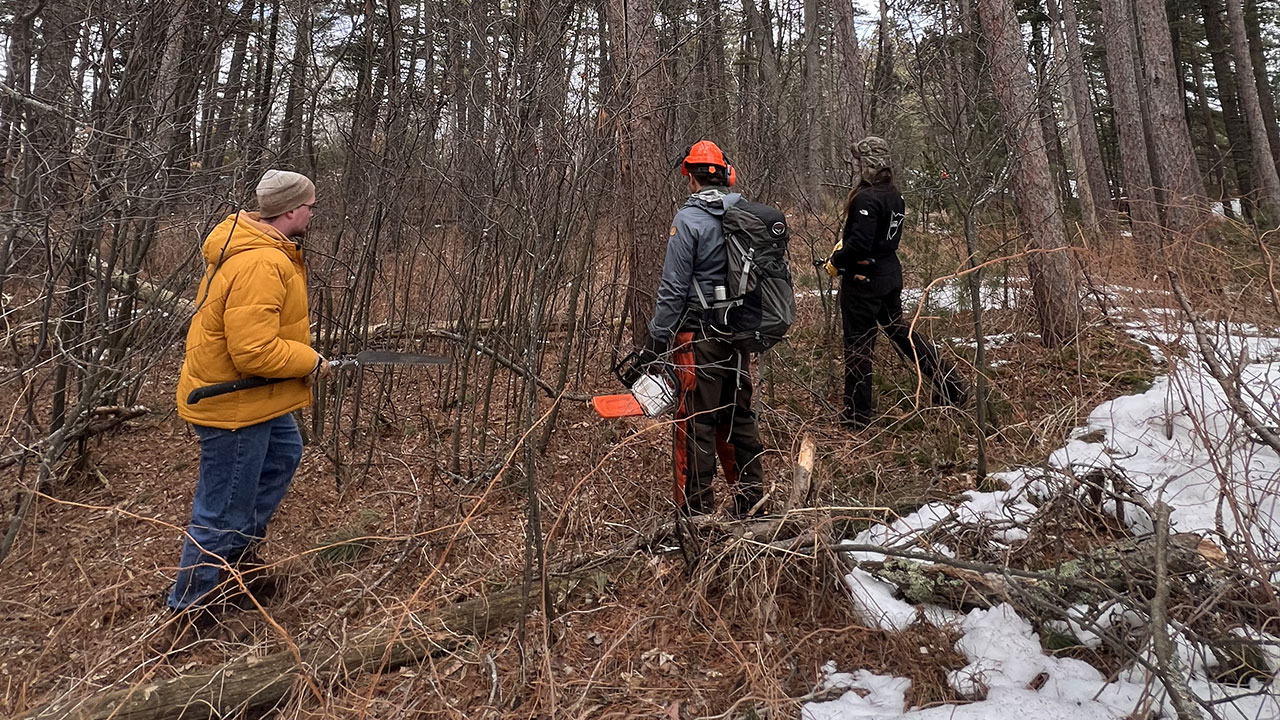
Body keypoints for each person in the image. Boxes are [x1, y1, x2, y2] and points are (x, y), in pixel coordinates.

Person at [166, 169, 329, 631]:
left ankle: (236, 571)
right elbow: (254, 350)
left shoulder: (266, 250)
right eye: (311, 206)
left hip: (259, 398)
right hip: (232, 403)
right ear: (292, 209)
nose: (313, 213)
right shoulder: (262, 262)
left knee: (284, 453)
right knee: (222, 508)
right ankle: (190, 609)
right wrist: (309, 361)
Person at [639, 140, 765, 517]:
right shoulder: (744, 213)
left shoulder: (688, 221)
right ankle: (752, 499)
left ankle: (696, 512)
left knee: (696, 421)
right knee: (738, 415)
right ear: (726, 176)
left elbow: (673, 290)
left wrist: (655, 339)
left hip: (699, 337)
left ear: (690, 177)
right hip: (737, 335)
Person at [829, 136, 967, 429]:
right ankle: (951, 385)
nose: (857, 165)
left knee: (858, 345)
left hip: (865, 284)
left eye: (860, 161)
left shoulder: (868, 198)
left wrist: (836, 260)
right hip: (889, 276)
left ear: (869, 163)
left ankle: (857, 416)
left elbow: (861, 244)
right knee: (901, 332)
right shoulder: (893, 194)